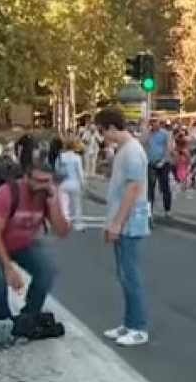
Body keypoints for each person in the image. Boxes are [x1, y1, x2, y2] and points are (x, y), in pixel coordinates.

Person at [0, 161, 71, 325]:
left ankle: (29, 316)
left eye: (46, 181)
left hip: (22, 243)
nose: (42, 186)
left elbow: (63, 232)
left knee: (47, 270)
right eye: (38, 181)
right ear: (26, 178)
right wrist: (8, 267)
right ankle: (3, 321)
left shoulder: (49, 196)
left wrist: (54, 205)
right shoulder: (7, 193)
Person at [96, 107, 152, 347]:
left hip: (130, 221)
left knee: (130, 275)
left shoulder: (132, 152)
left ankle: (138, 327)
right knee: (124, 274)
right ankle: (130, 323)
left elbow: (132, 189)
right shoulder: (125, 150)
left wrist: (117, 222)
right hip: (124, 220)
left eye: (102, 131)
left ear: (111, 127)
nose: (102, 137)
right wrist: (111, 222)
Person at [144, 120, 175, 219]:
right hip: (151, 163)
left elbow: (168, 148)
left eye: (155, 122)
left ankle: (167, 210)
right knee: (150, 189)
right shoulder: (148, 134)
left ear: (159, 124)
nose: (153, 124)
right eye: (152, 123)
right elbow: (144, 146)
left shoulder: (165, 134)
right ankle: (149, 211)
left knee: (165, 186)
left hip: (163, 163)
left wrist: (163, 161)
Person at [56, 137, 87, 232]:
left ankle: (66, 222)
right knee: (76, 205)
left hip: (63, 183)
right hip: (74, 183)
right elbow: (80, 172)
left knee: (64, 205)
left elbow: (56, 169)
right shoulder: (77, 158)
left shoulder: (60, 157)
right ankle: (78, 224)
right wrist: (83, 184)